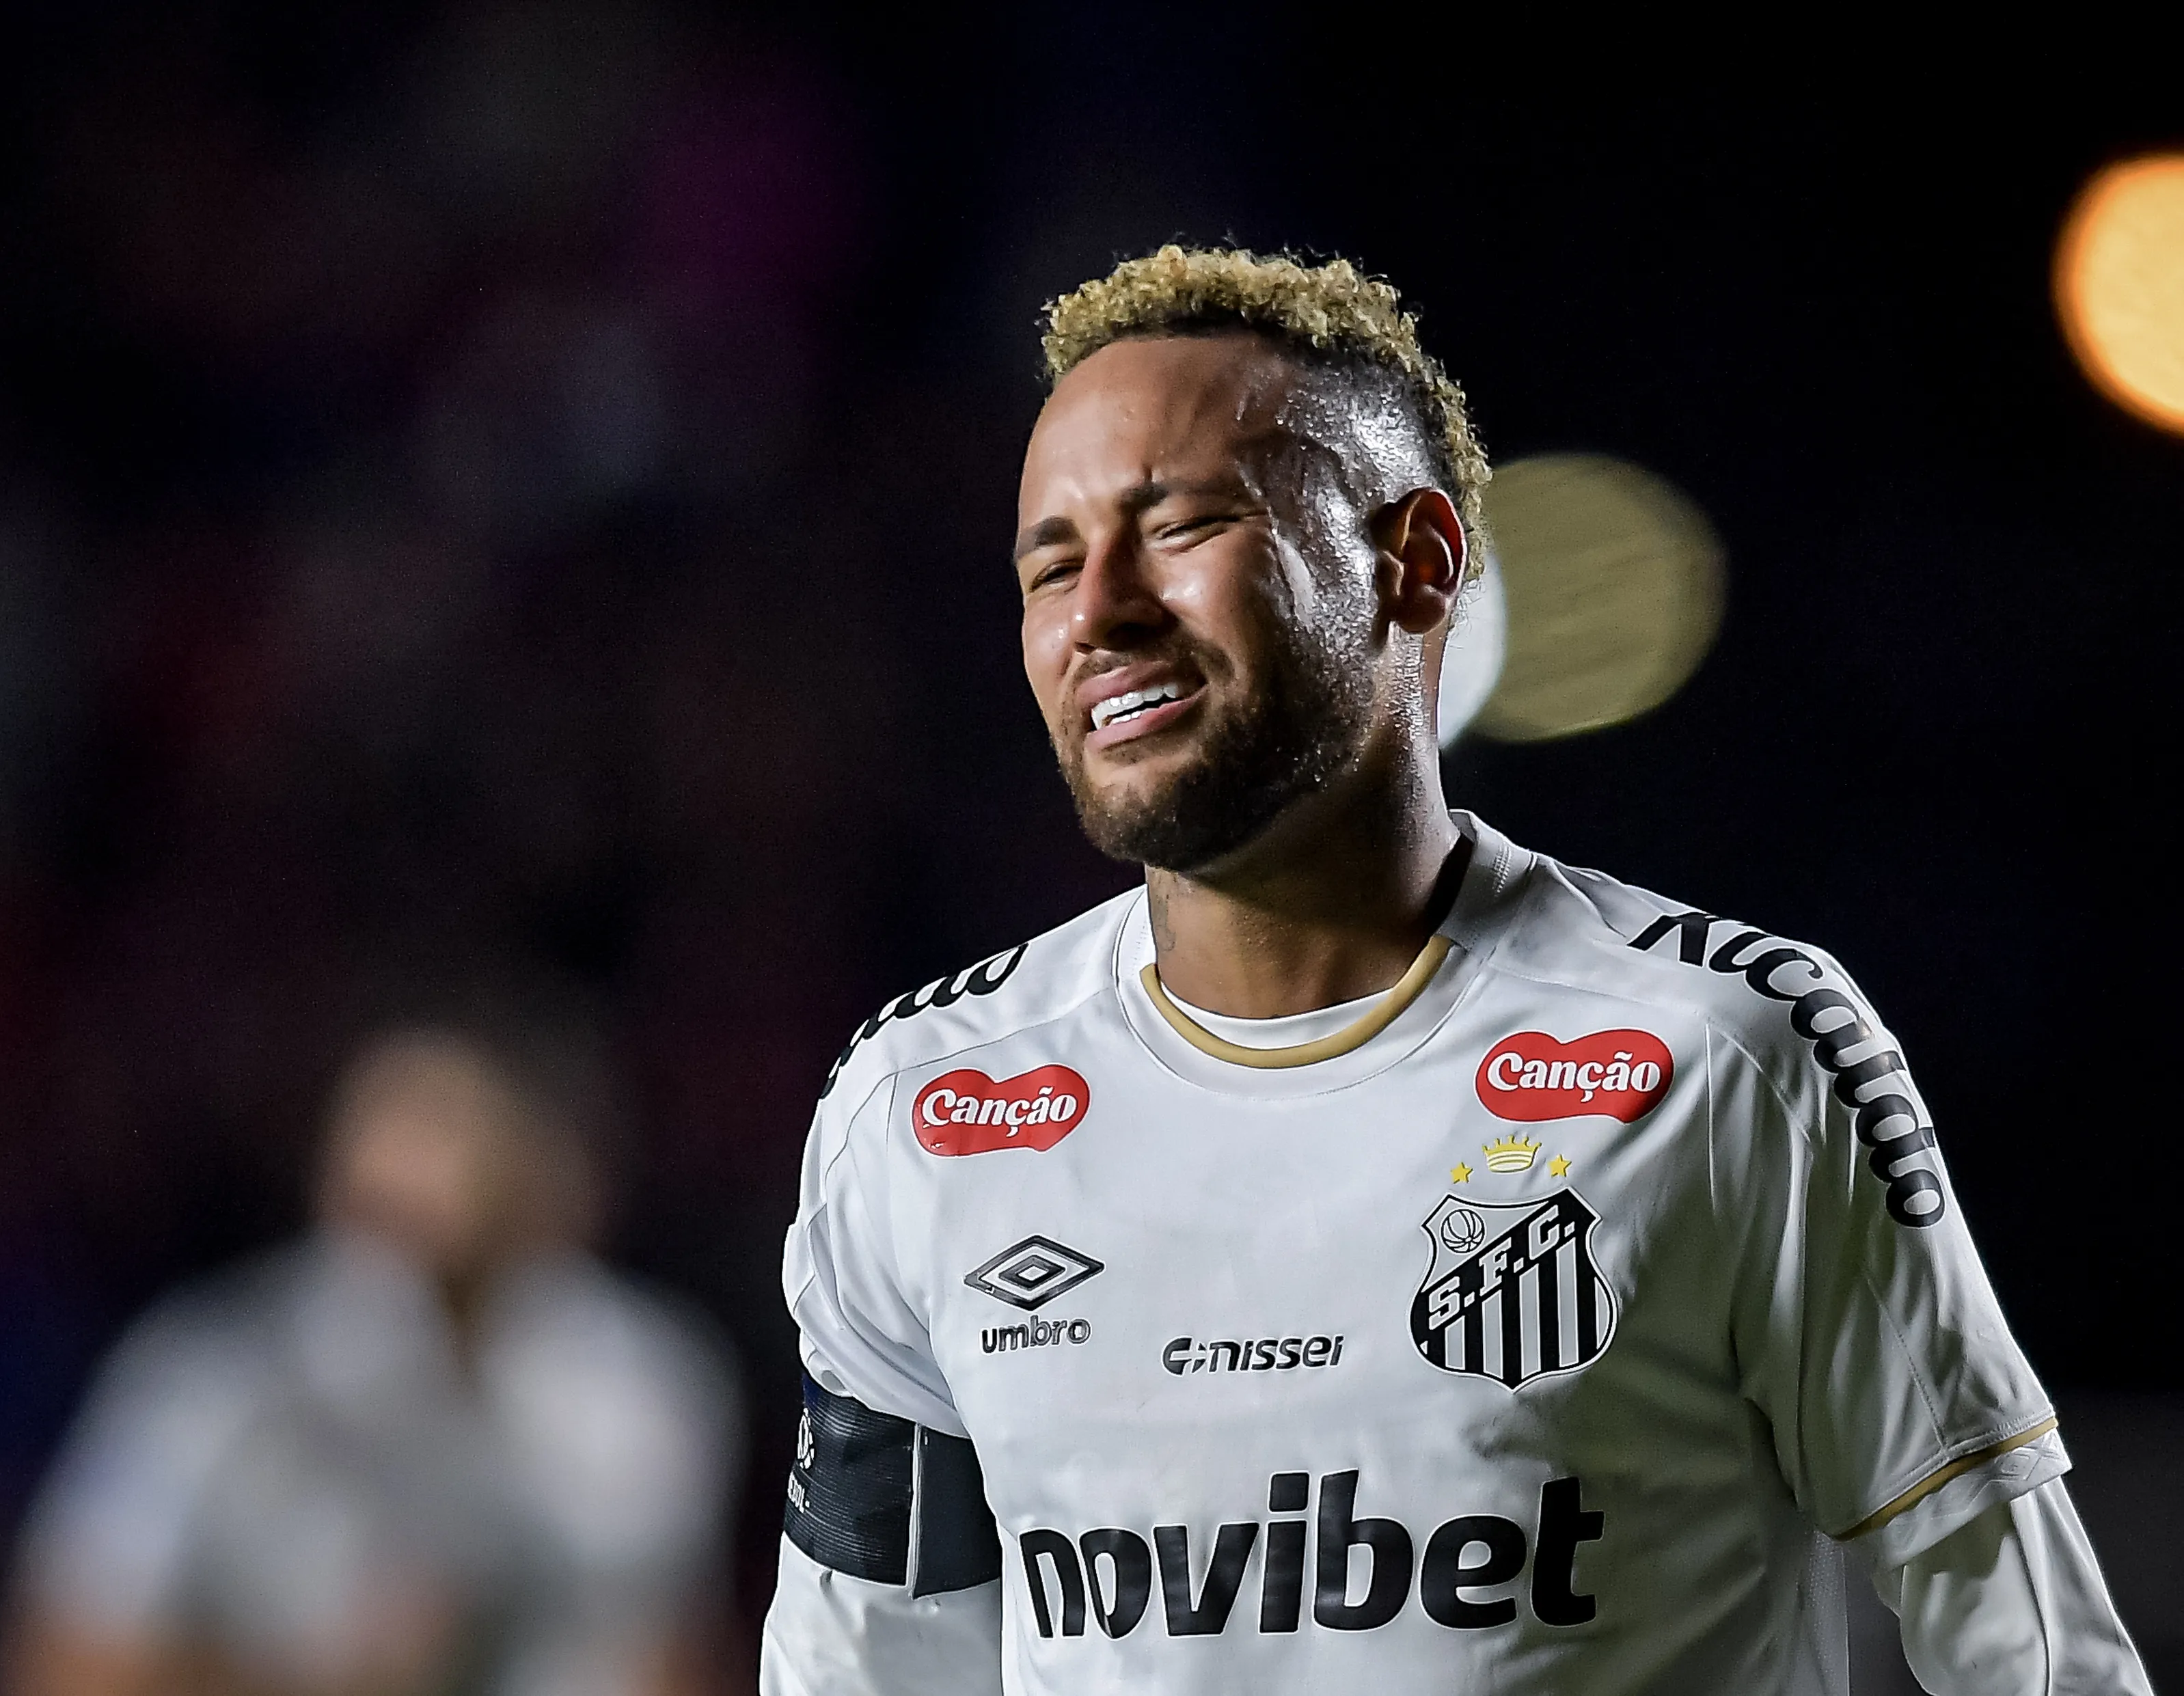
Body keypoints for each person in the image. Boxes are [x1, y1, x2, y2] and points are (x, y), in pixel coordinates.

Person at [757, 247, 2149, 1693]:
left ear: (1414, 561)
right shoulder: (925, 1108)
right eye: (1051, 559)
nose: (1097, 607)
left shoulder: (1721, 1052)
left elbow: (2033, 1648)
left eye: (1181, 526)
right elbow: (863, 1668)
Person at [0, 998, 740, 1696]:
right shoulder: (215, 1367)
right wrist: (327, 1674)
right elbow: (62, 1661)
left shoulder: (639, 1379)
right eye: (395, 1122)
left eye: (450, 1122)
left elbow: (671, 1655)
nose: (412, 1166)